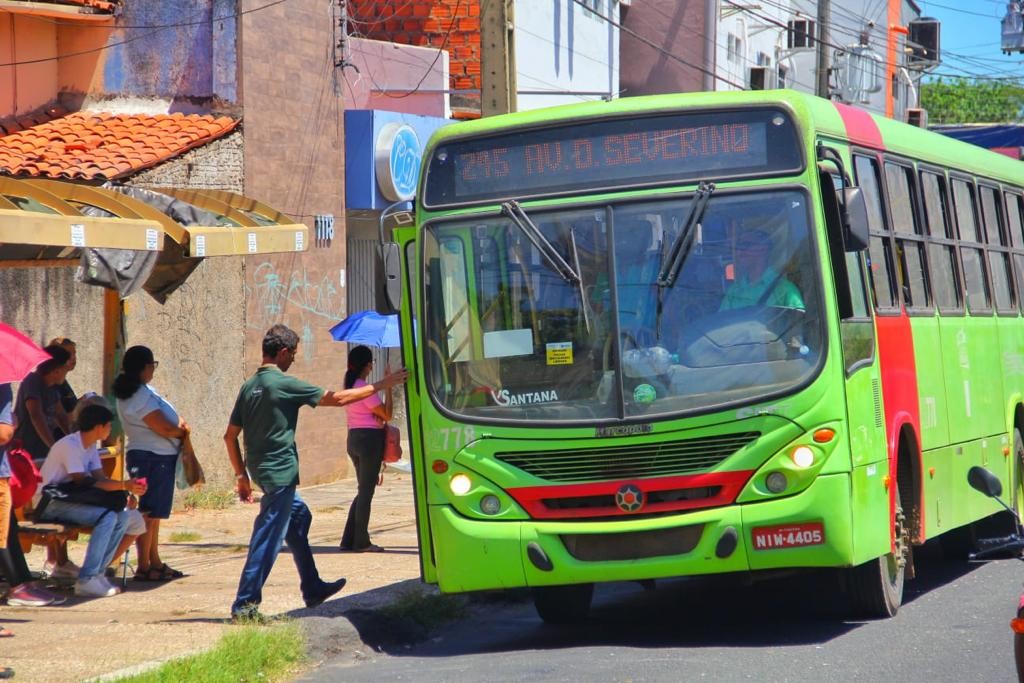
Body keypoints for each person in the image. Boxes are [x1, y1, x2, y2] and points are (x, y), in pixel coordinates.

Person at [224, 324, 408, 622]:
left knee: (299, 518)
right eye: (293, 354)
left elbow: (229, 436)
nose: (293, 359)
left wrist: (241, 476)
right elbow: (337, 399)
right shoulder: (281, 383)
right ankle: (245, 605)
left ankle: (312, 587)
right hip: (280, 472)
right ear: (282, 352)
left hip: (261, 470)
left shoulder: (249, 386)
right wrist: (382, 384)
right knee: (267, 538)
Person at [35, 404, 146, 598]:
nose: (110, 430)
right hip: (49, 503)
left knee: (121, 517)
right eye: (109, 426)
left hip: (70, 498)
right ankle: (86, 579)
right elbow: (84, 482)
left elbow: (100, 479)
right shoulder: (69, 445)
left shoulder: (90, 446)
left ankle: (96, 574)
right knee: (107, 517)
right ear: (98, 427)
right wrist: (124, 485)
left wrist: (127, 491)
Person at [114, 346, 189, 582]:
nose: (153, 370)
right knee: (147, 512)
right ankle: (145, 565)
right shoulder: (136, 396)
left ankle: (154, 559)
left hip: (158, 457)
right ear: (145, 367)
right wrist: (182, 432)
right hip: (150, 458)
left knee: (154, 514)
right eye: (152, 365)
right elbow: (163, 427)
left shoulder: (143, 391)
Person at [0, 382, 65, 615]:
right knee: (4, 531)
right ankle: (19, 587)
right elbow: (4, 432)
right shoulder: (2, 384)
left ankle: (23, 582)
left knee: (9, 527)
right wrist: (12, 424)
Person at [13, 344, 77, 578]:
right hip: (30, 456)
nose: (67, 371)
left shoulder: (54, 387)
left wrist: (73, 440)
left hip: (46, 455)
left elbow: (60, 415)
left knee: (55, 503)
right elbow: (35, 414)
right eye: (65, 366)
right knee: (41, 508)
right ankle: (53, 561)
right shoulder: (33, 381)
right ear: (56, 369)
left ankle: (60, 561)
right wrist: (55, 446)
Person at [339, 345, 394, 553]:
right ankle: (361, 541)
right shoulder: (365, 388)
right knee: (366, 492)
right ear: (368, 365)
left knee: (363, 489)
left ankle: (349, 538)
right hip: (369, 440)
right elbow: (387, 414)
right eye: (372, 363)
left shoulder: (350, 386)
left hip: (354, 438)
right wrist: (388, 387)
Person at [719, 229, 805, 311]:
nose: (739, 252)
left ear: (764, 248)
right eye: (738, 247)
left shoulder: (785, 290)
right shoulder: (734, 291)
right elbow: (722, 323)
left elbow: (798, 323)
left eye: (745, 245)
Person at [49, 337, 79, 416]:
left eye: (74, 353)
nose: (73, 357)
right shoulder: (51, 383)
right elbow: (56, 418)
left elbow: (69, 407)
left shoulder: (62, 381)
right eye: (69, 353)